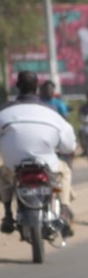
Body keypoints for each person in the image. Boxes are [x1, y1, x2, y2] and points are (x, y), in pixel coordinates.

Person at [0, 72, 76, 236]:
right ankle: (64, 210)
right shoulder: (52, 112)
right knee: (64, 172)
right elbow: (69, 145)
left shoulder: (4, 111)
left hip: (14, 166)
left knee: (4, 176)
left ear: (17, 87)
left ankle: (7, 214)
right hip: (47, 165)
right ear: (37, 88)